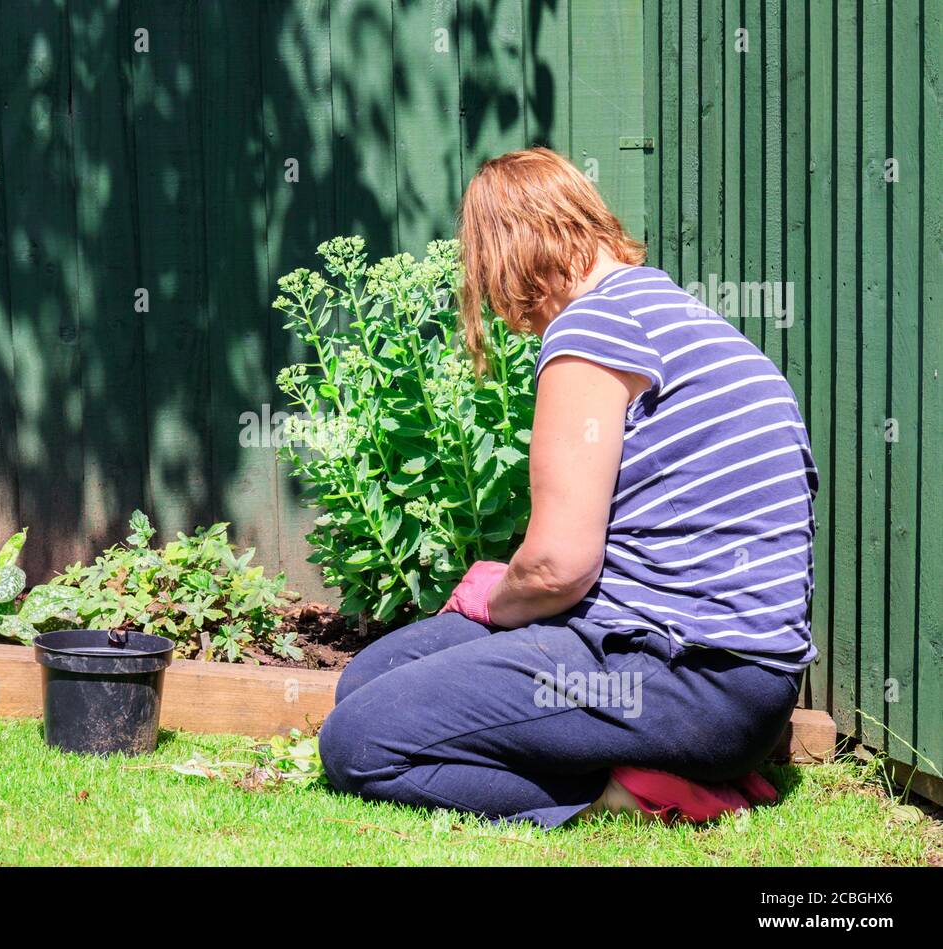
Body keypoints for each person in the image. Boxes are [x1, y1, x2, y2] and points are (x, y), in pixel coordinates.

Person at [317, 147, 817, 827]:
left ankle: (628, 793)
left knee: (358, 743)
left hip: (680, 677)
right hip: (733, 687)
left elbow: (558, 567)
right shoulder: (687, 322)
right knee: (365, 684)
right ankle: (634, 763)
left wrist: (494, 597)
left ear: (510, 253)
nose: (505, 309)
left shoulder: (594, 327)